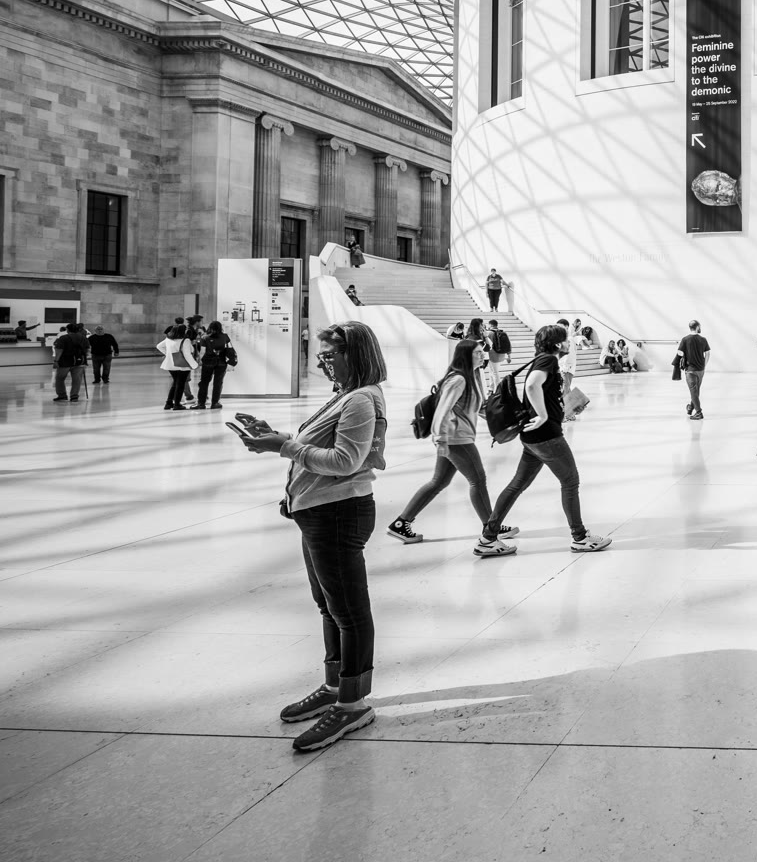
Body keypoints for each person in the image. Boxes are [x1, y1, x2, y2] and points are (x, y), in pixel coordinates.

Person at [230, 320, 387, 754]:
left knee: (348, 611)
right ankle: (335, 685)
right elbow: (316, 447)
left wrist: (283, 447)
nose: (323, 363)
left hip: (339, 512)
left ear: (355, 354)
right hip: (317, 511)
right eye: (321, 355)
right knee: (329, 606)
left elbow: (344, 461)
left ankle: (353, 704)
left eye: (330, 354)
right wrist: (276, 436)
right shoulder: (344, 395)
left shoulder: (361, 399)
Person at [477, 327, 609, 558]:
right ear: (557, 344)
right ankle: (579, 537)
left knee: (517, 484)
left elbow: (542, 393)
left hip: (533, 439)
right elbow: (532, 385)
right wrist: (543, 416)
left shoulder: (541, 359)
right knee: (570, 481)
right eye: (566, 340)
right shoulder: (549, 360)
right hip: (547, 437)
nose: (569, 343)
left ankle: (488, 538)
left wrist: (564, 409)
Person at [389, 339, 512, 543]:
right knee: (478, 480)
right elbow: (442, 410)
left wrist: (500, 421)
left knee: (439, 482)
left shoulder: (471, 377)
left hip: (456, 437)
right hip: (456, 438)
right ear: (465, 356)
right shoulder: (458, 380)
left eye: (482, 352)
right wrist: (440, 439)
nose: (482, 356)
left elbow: (473, 408)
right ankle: (491, 528)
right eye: (478, 353)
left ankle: (401, 523)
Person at [156, 320, 198, 409]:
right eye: (185, 329)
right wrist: (195, 365)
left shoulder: (168, 339)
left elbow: (159, 346)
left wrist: (168, 354)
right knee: (180, 384)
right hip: (182, 365)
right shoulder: (185, 340)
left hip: (170, 364)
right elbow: (187, 355)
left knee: (175, 383)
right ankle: (177, 404)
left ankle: (169, 403)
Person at [195, 320, 236, 409]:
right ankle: (215, 403)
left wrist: (200, 362)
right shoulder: (225, 337)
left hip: (208, 362)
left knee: (204, 382)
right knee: (218, 383)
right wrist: (231, 362)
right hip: (221, 362)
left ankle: (201, 403)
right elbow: (230, 349)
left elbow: (202, 352)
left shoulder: (205, 337)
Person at [677, 319, 709, 418]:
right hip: (701, 370)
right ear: (697, 327)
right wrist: (704, 365)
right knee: (696, 390)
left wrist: (686, 354)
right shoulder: (703, 339)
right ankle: (691, 407)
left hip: (690, 370)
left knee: (693, 391)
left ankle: (699, 412)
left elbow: (679, 352)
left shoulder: (685, 339)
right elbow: (707, 353)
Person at [52, 320, 88, 401]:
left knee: (60, 379)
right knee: (77, 380)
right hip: (79, 362)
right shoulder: (83, 338)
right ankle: (74, 396)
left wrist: (56, 361)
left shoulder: (63, 338)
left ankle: (62, 395)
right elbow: (87, 349)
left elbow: (59, 350)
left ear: (68, 330)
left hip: (65, 362)